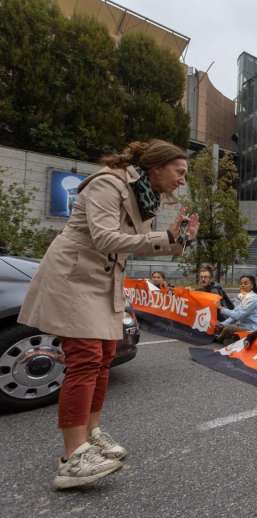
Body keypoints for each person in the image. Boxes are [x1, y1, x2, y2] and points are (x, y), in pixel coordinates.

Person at [18, 139, 199, 489]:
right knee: (85, 358)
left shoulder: (145, 197)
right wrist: (164, 235)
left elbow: (144, 243)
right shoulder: (108, 183)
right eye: (180, 172)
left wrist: (179, 240)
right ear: (157, 166)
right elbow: (104, 238)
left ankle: (91, 434)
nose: (182, 181)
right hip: (75, 277)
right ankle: (72, 458)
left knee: (103, 358)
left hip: (102, 282)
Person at [217, 275, 257, 345]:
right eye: (241, 283)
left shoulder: (252, 299)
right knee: (222, 327)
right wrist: (222, 324)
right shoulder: (240, 296)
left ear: (252, 286)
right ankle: (232, 339)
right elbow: (234, 315)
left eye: (245, 283)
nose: (242, 285)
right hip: (242, 326)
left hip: (252, 329)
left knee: (228, 329)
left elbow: (238, 316)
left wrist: (222, 309)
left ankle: (218, 339)